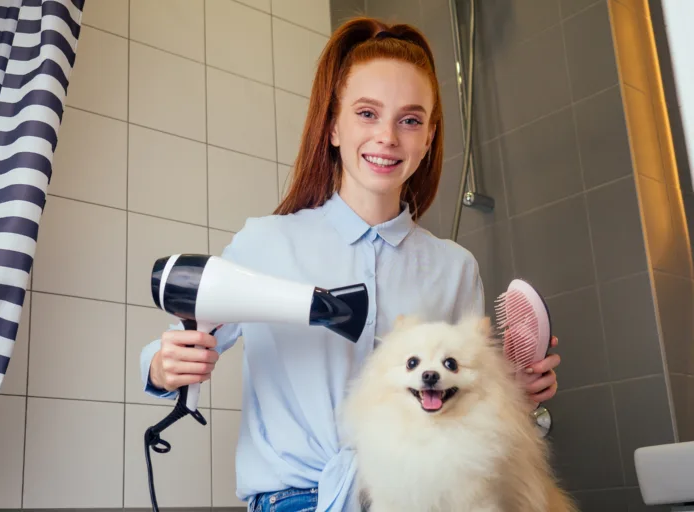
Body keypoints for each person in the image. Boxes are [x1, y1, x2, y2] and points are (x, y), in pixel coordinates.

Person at [139, 16, 561, 512]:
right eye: (366, 113)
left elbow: (466, 399)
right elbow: (170, 348)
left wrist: (520, 394)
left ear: (428, 139)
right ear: (334, 127)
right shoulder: (268, 244)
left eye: (409, 120)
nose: (387, 136)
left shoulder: (455, 268)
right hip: (294, 499)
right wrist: (166, 367)